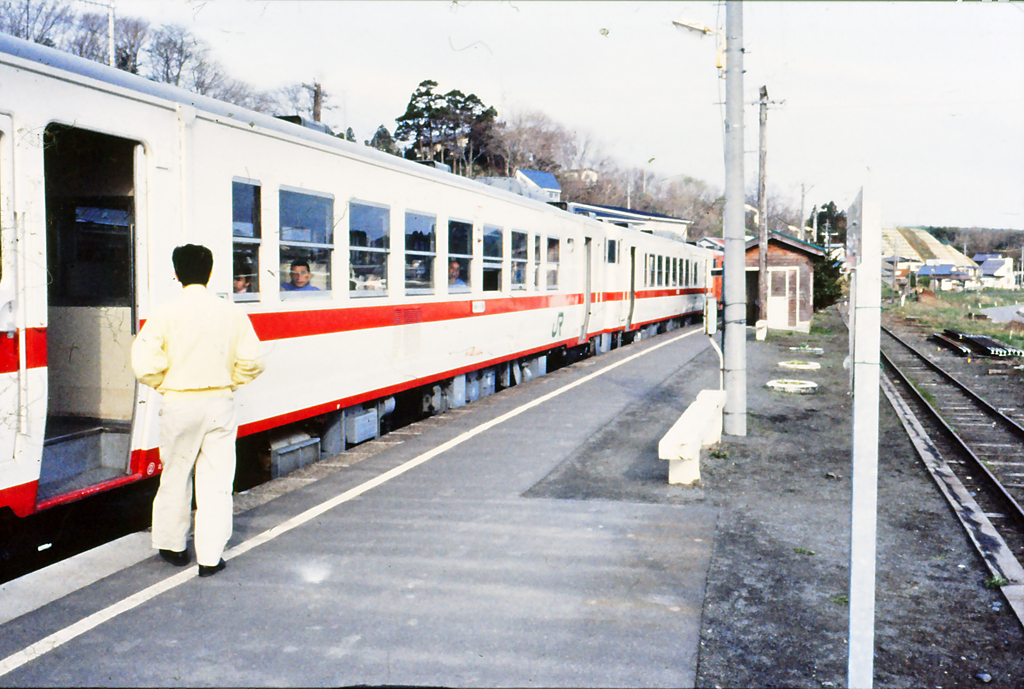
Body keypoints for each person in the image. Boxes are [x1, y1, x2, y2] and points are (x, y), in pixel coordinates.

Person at [132, 244, 265, 578]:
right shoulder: (231, 312)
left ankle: (173, 546)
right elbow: (253, 361)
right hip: (219, 402)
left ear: (176, 273)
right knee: (217, 480)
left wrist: (166, 383)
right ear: (210, 272)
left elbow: (144, 365)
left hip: (179, 403)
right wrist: (230, 381)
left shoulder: (164, 313)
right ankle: (209, 557)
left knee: (176, 474)